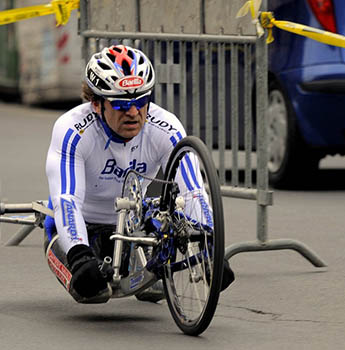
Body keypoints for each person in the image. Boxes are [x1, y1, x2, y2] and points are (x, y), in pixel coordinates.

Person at [44, 44, 234, 300]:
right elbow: (67, 200)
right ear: (97, 104)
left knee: (154, 291)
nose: (133, 113)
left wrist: (209, 244)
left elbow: (193, 190)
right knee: (92, 291)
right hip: (83, 225)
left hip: (134, 225)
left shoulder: (165, 127)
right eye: (122, 105)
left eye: (141, 101)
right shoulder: (73, 130)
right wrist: (79, 254)